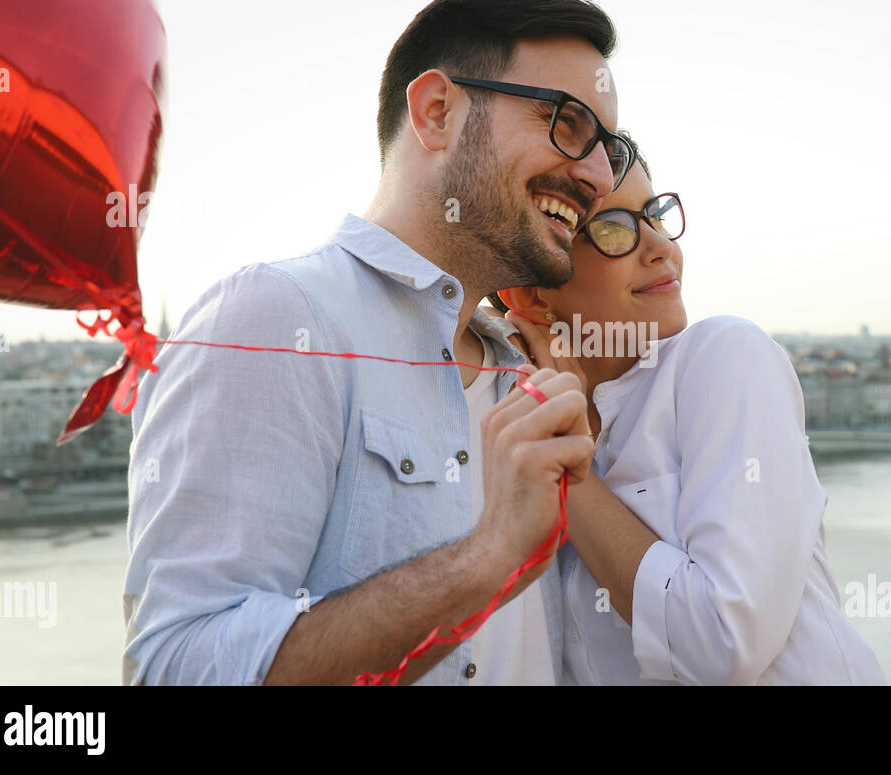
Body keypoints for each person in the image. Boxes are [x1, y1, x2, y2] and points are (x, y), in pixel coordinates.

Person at [122, 0, 633, 685]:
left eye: (609, 147)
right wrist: (487, 559)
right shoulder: (274, 320)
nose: (599, 176)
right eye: (567, 124)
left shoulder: (530, 370)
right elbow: (178, 666)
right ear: (436, 113)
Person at [496, 137, 887, 684]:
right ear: (532, 296)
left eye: (654, 215)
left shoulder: (725, 355)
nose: (660, 247)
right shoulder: (505, 426)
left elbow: (723, 644)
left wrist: (571, 477)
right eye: (613, 229)